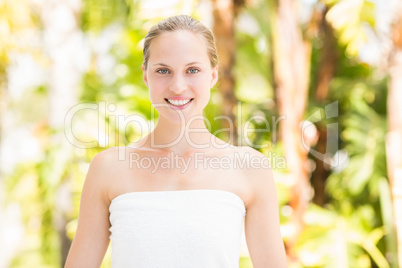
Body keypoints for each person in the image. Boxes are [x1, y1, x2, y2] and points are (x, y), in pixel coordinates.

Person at [65, 14, 287, 268]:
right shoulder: (107, 169)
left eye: (192, 70)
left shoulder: (250, 169)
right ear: (146, 77)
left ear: (213, 76)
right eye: (163, 71)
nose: (178, 86)